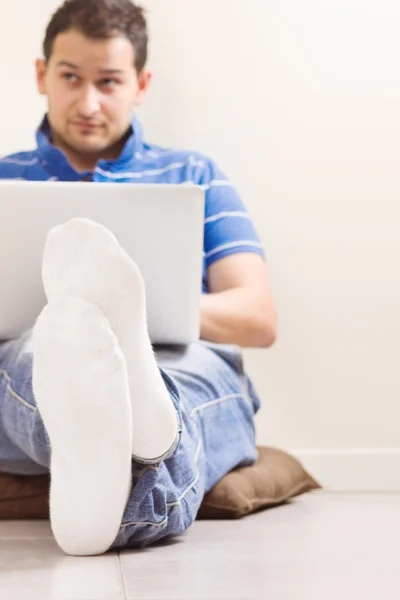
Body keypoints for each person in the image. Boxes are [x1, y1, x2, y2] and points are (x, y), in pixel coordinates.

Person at [0, 0, 277, 556]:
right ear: (41, 74)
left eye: (109, 81)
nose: (89, 102)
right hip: (35, 356)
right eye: (71, 77)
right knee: (38, 353)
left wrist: (141, 312)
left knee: (187, 374)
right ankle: (149, 425)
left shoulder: (192, 176)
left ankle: (131, 409)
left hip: (179, 353)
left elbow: (257, 318)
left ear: (141, 83)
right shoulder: (4, 181)